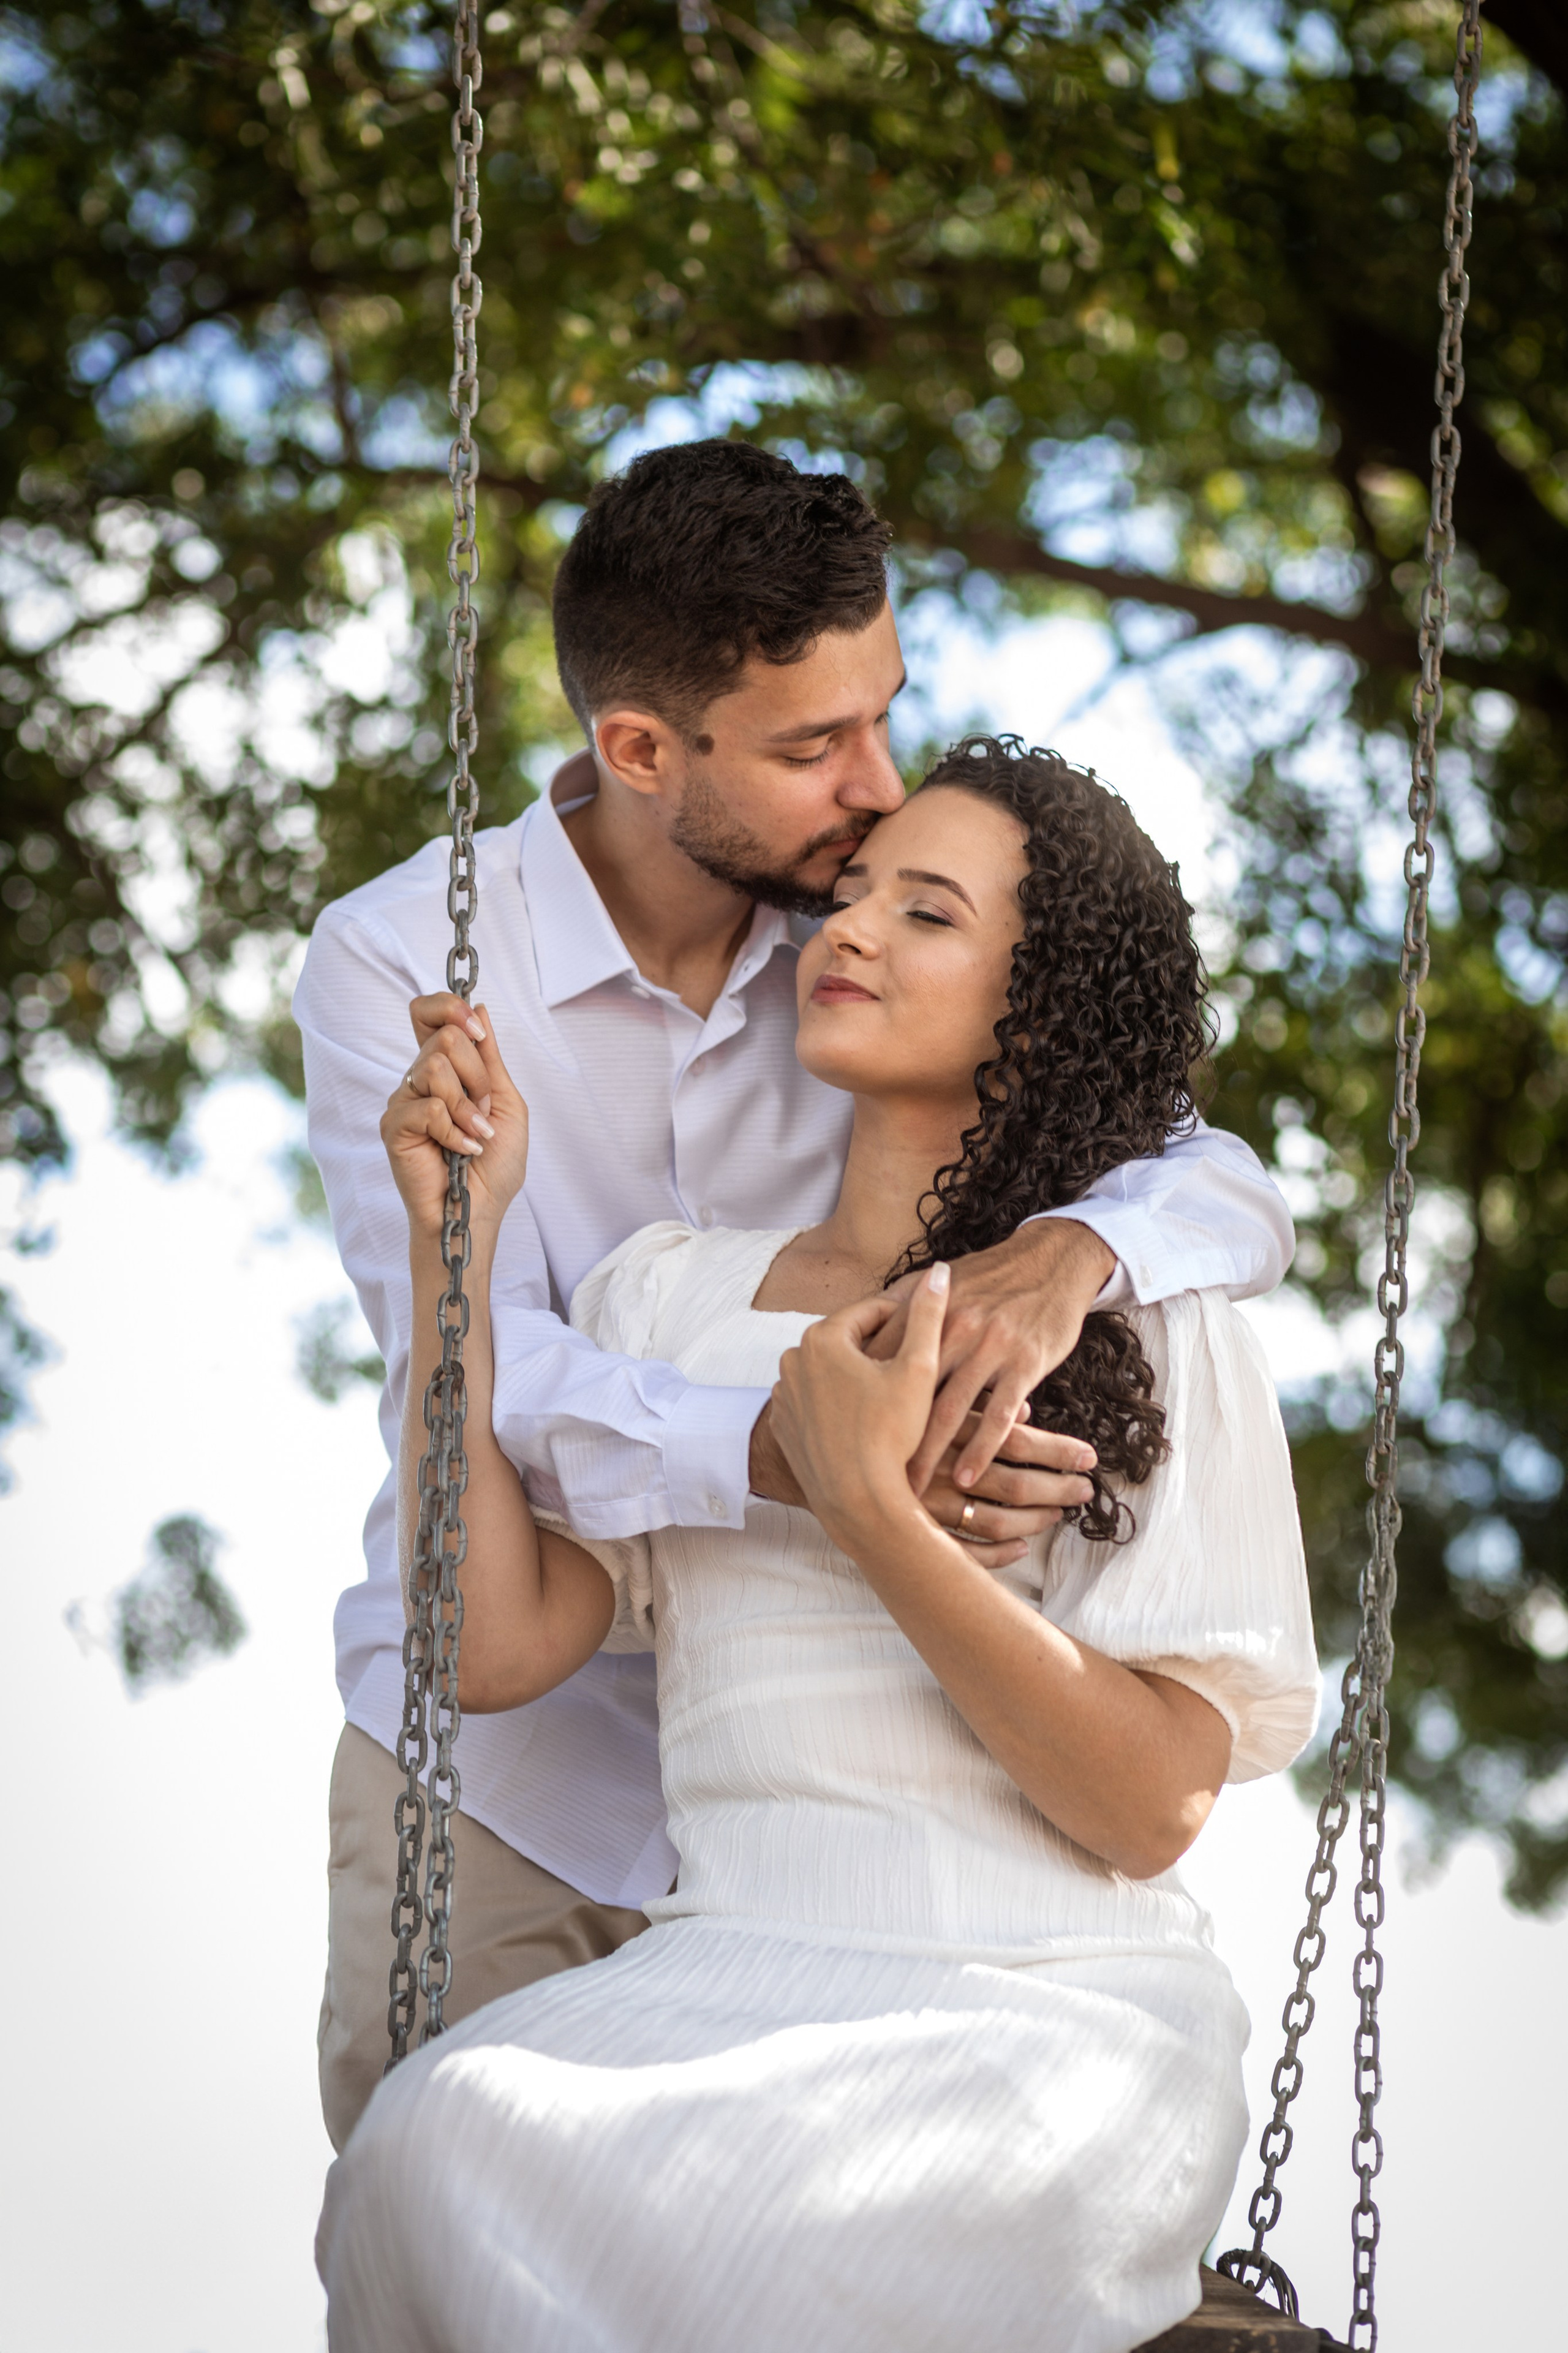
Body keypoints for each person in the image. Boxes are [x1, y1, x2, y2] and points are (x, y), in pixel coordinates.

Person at [295, 440, 1295, 2153]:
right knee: (450, 2194)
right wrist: (792, 1448)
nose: (875, 785)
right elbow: (502, 1367)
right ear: (639, 749)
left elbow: (1189, 1147)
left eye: (884, 712)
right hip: (518, 1758)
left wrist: (1082, 1252)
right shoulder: (403, 964)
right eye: (816, 747)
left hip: (869, 1790)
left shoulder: (858, 927)